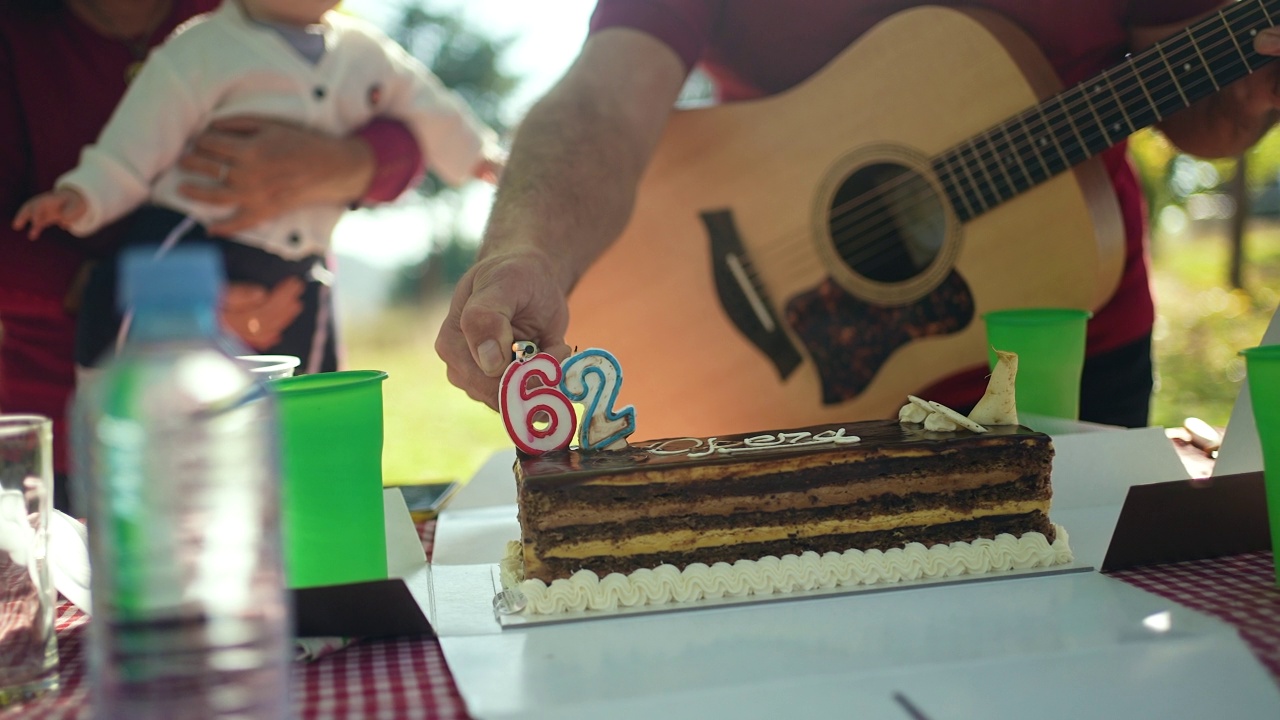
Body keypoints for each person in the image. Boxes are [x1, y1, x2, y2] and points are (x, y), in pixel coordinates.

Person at [436, 0, 1280, 430]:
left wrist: (1249, 90)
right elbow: (603, 104)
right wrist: (529, 250)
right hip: (781, 389)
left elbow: (1204, 120)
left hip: (1065, 349)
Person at [0, 0, 428, 511]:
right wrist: (168, 302)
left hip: (281, 326)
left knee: (303, 507)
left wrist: (347, 162)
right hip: (70, 430)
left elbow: (408, 116)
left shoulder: (268, 12)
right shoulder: (19, 36)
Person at [15, 0, 501, 386]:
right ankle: (106, 399)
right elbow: (137, 141)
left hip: (299, 255)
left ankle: (312, 453)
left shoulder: (366, 50)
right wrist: (83, 196)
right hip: (195, 229)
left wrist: (476, 154)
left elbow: (428, 106)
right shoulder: (202, 44)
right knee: (123, 287)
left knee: (312, 360)